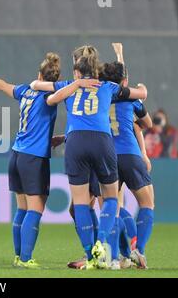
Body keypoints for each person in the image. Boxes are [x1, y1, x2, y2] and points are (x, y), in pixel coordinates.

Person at [0, 53, 97, 268]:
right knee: (35, 210)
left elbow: (3, 85)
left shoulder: (25, 91)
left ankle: (18, 256)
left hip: (17, 155)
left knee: (22, 209)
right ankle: (26, 258)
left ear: (39, 74)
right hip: (34, 158)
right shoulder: (53, 94)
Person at [32, 45, 147, 269]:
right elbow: (140, 94)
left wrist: (76, 85)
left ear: (76, 71)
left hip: (75, 142)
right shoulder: (107, 87)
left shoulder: (68, 85)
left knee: (81, 204)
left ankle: (91, 254)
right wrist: (140, 86)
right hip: (102, 142)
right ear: (96, 70)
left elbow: (42, 91)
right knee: (111, 198)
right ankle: (102, 242)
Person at [103, 43, 154, 269]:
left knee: (113, 206)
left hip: (108, 156)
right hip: (130, 155)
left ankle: (116, 257)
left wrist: (119, 55)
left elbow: (119, 78)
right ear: (124, 81)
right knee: (147, 204)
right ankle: (138, 251)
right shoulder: (132, 98)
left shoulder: (103, 95)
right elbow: (148, 124)